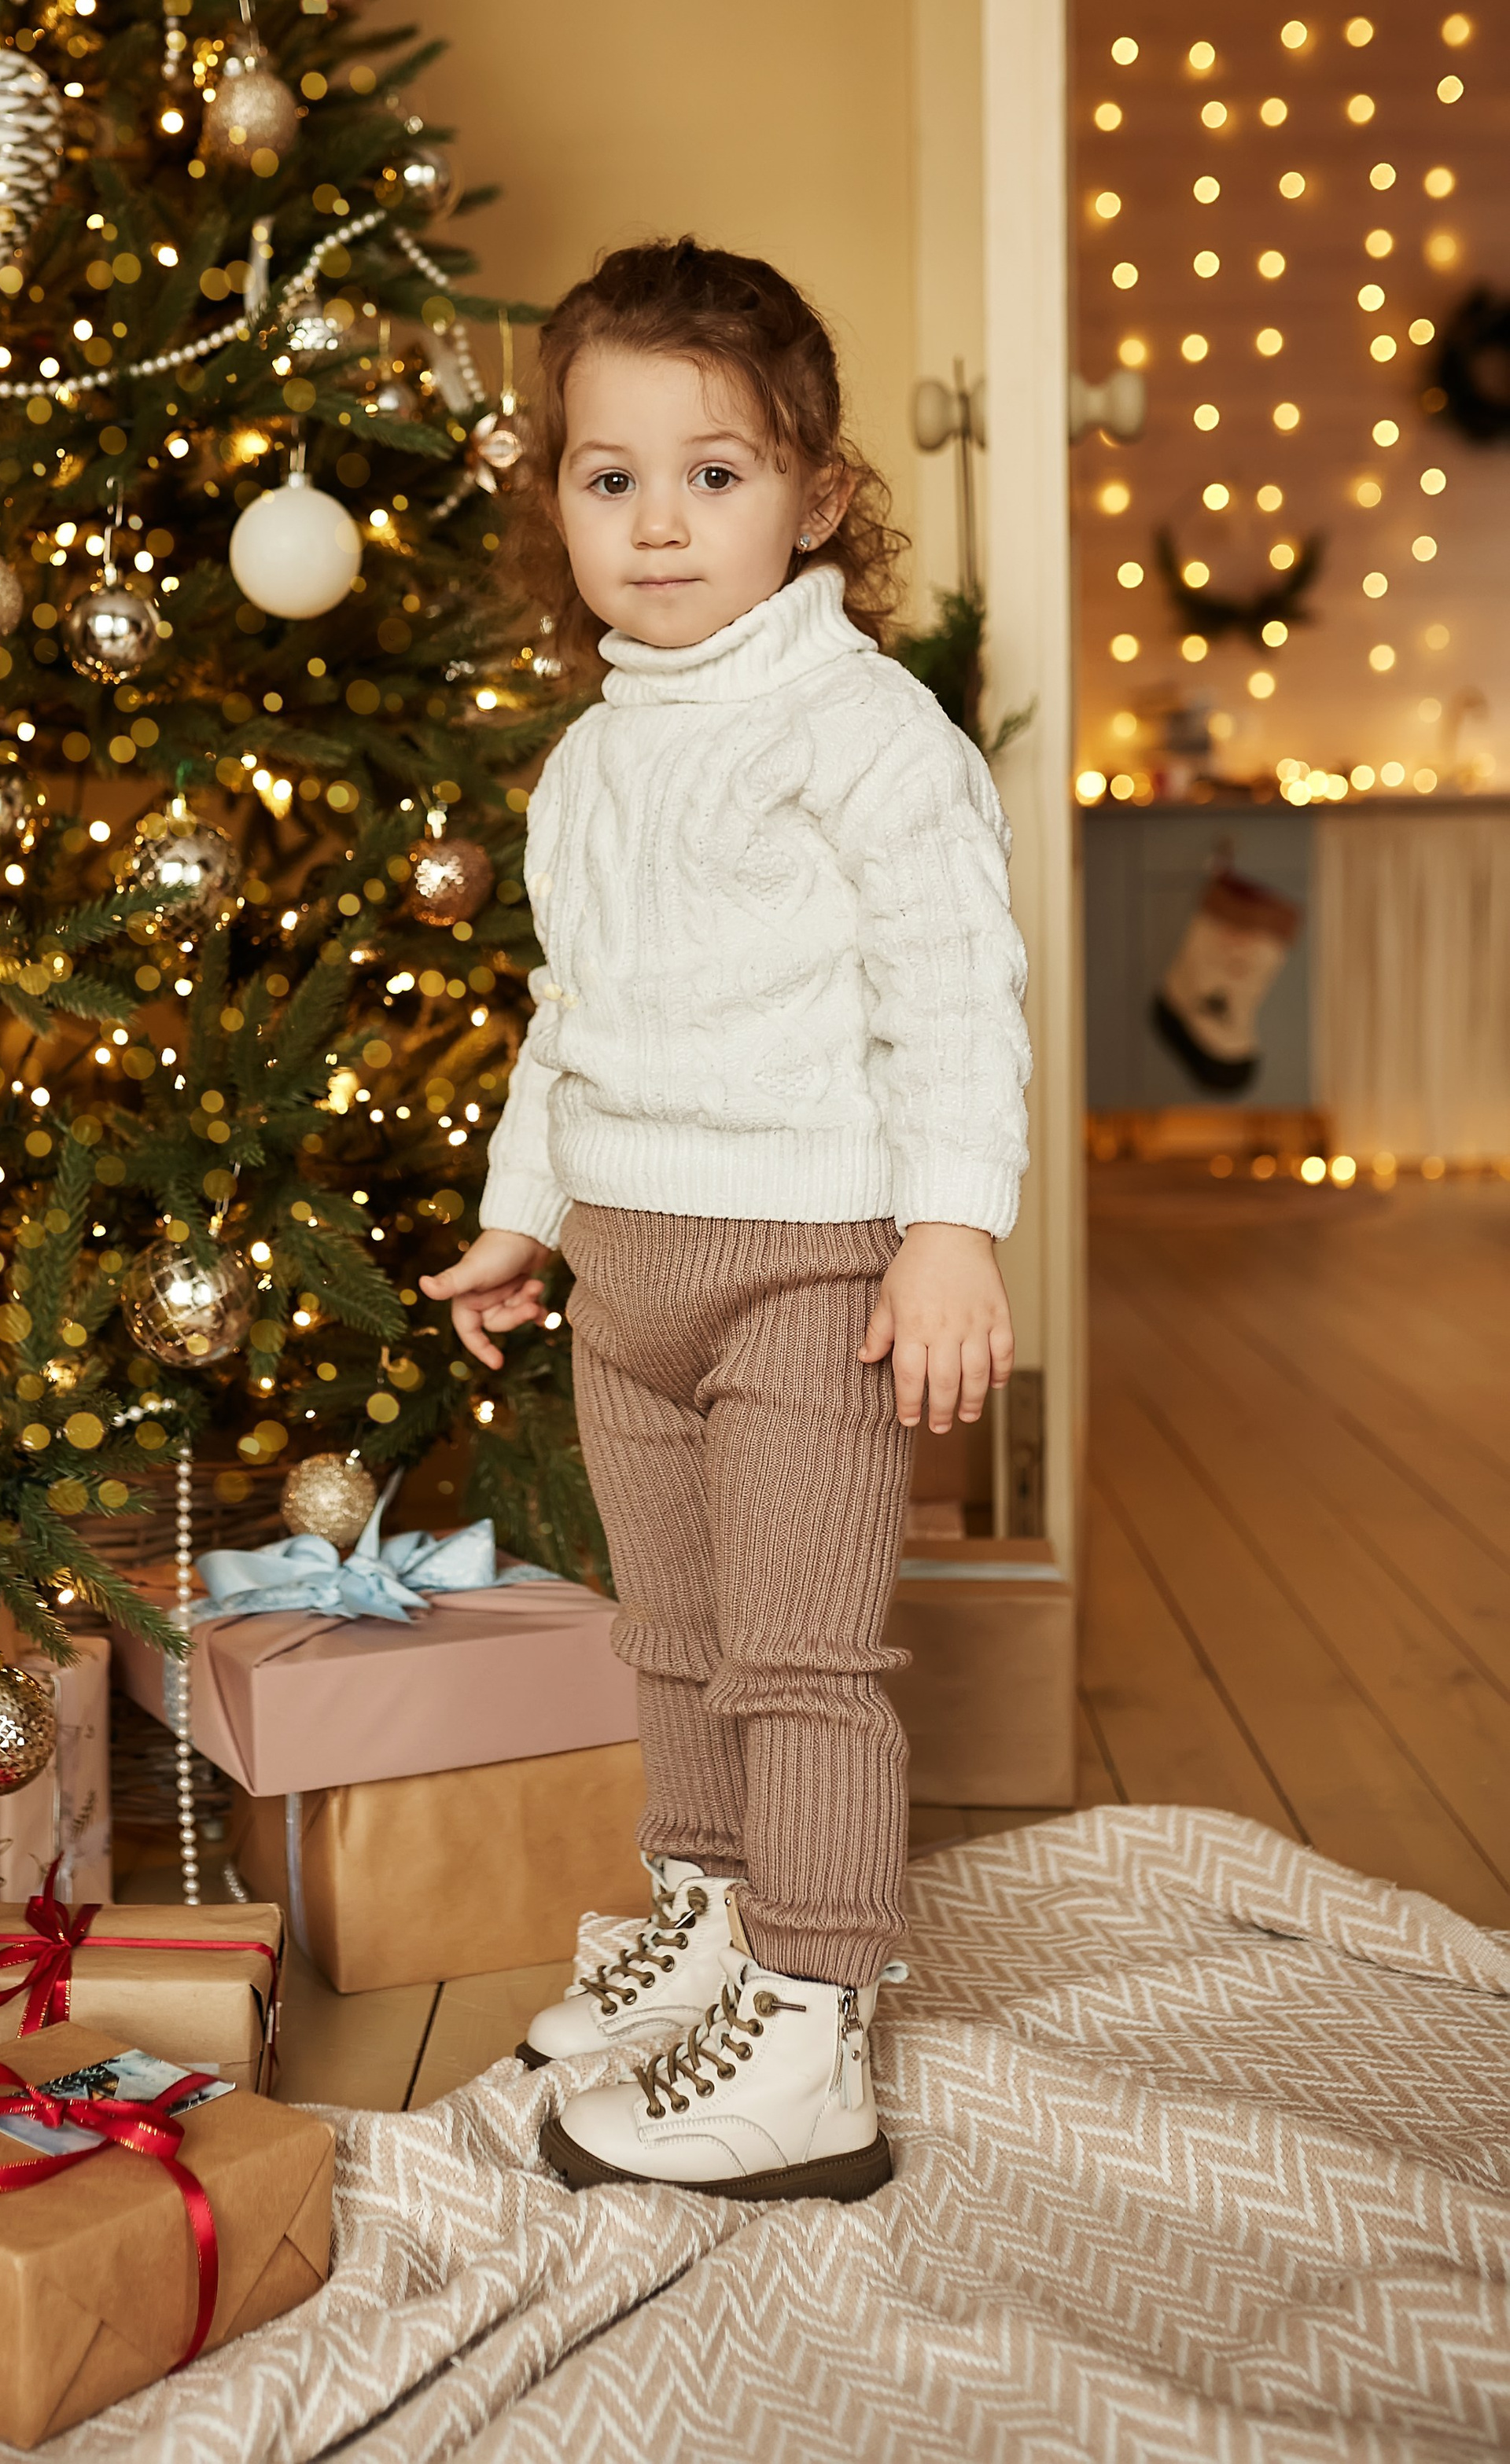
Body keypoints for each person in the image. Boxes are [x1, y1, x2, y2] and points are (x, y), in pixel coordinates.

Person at [422, 239, 1029, 2204]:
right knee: (672, 1644)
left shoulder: (861, 735)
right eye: (611, 479)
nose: (659, 524)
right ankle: (709, 1918)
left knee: (795, 1658)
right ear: (557, 505)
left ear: (816, 497)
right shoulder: (589, 762)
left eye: (715, 473)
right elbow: (568, 1016)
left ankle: (811, 2016)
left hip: (807, 1273)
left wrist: (950, 1225)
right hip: (631, 1270)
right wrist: (525, 1222)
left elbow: (953, 984)